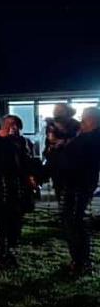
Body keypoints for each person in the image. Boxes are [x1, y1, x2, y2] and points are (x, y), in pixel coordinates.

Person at [0, 114, 40, 269]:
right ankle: (1, 253)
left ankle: (8, 250)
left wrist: (31, 177)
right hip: (2, 185)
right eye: (10, 124)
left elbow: (26, 161)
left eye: (16, 124)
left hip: (18, 186)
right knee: (4, 221)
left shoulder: (22, 142)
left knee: (15, 221)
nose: (13, 127)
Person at [59, 107, 100, 277]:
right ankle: (79, 260)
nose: (81, 122)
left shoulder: (92, 139)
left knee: (75, 223)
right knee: (73, 222)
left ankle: (80, 262)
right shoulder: (86, 137)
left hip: (79, 185)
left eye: (85, 119)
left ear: (93, 121)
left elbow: (77, 158)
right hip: (76, 184)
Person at [45, 103, 81, 208]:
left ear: (67, 112)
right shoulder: (51, 124)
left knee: (72, 188)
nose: (56, 112)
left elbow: (77, 140)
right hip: (56, 160)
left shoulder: (76, 125)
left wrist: (63, 142)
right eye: (55, 110)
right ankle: (62, 206)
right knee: (58, 186)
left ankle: (71, 209)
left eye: (60, 110)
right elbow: (51, 141)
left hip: (72, 161)